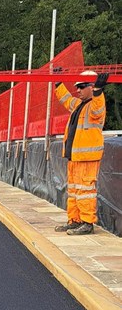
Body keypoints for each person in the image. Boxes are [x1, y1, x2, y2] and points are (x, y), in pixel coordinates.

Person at [54, 70, 108, 235]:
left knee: (85, 192)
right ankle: (75, 220)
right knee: (74, 191)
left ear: (91, 87)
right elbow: (65, 99)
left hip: (87, 158)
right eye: (77, 86)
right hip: (75, 157)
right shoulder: (79, 104)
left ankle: (87, 223)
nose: (77, 90)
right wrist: (58, 83)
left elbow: (98, 109)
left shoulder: (95, 105)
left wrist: (99, 91)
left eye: (81, 86)